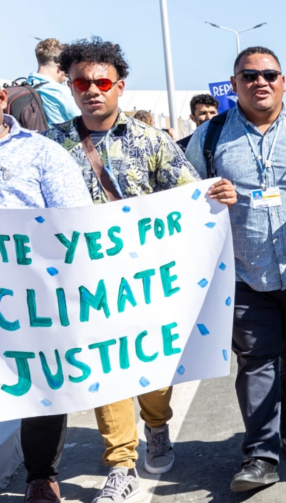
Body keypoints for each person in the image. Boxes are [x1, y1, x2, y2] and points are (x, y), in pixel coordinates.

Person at [45, 37, 237, 503]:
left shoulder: (152, 141)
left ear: (120, 86)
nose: (93, 89)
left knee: (151, 373)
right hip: (85, 288)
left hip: (145, 286)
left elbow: (189, 196)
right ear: (70, 87)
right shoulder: (51, 146)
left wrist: (217, 195)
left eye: (102, 81)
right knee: (105, 371)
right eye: (82, 82)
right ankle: (120, 462)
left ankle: (156, 424)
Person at [185, 46, 286, 492]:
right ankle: (260, 455)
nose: (259, 82)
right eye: (248, 76)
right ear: (234, 86)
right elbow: (184, 197)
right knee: (256, 362)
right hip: (244, 273)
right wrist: (208, 195)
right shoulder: (209, 138)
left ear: (283, 81)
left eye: (269, 74)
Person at [1, 89, 93, 503]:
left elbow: (75, 221)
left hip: (31, 294)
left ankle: (40, 476)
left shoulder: (43, 153)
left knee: (39, 381)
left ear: (2, 97)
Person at [26, 38, 80, 127]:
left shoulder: (27, 86)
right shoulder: (60, 91)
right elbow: (83, 120)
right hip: (58, 140)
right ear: (60, 67)